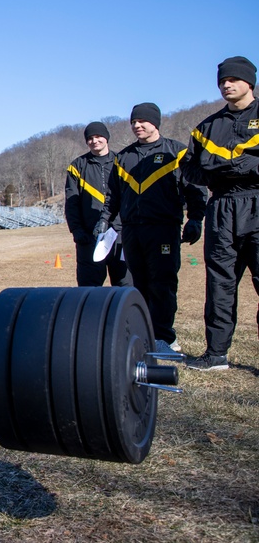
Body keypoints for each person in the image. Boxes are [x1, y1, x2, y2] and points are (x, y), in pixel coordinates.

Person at [95, 103, 207, 353]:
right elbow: (112, 195)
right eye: (133, 122)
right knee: (139, 284)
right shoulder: (123, 158)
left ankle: (166, 338)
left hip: (163, 228)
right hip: (132, 230)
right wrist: (105, 219)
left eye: (143, 121)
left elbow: (195, 189)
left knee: (163, 283)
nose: (137, 125)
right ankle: (142, 333)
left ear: (155, 122)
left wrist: (196, 219)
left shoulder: (176, 152)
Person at [181, 56, 258, 371]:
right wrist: (216, 174)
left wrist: (240, 167)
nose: (227, 85)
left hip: (257, 203)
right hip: (221, 207)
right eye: (222, 81)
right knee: (219, 282)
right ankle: (216, 355)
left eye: (233, 80)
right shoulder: (206, 127)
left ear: (249, 81)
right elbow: (189, 166)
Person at [65, 121, 131, 287]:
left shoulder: (121, 161)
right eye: (90, 138)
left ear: (106, 138)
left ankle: (123, 314)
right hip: (89, 236)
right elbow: (71, 203)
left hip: (119, 234)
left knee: (125, 284)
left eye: (98, 136)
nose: (95, 141)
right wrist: (77, 230)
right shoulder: (77, 167)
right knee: (89, 287)